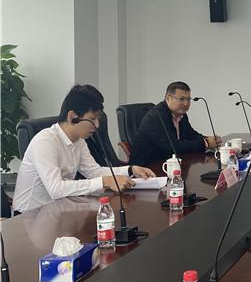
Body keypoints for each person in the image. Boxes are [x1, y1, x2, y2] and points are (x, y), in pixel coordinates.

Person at [13, 85, 155, 213]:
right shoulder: (45, 141)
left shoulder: (79, 142)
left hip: (58, 209)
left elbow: (94, 172)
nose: (97, 125)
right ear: (72, 117)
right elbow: (56, 189)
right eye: (92, 119)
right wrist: (105, 182)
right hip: (28, 217)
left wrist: (130, 170)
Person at [129, 81, 221, 166]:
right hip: (148, 167)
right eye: (181, 99)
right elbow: (173, 146)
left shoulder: (181, 114)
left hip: (169, 163)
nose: (186, 103)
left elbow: (190, 134)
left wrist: (207, 139)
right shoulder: (156, 117)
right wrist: (205, 143)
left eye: (188, 99)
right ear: (168, 98)